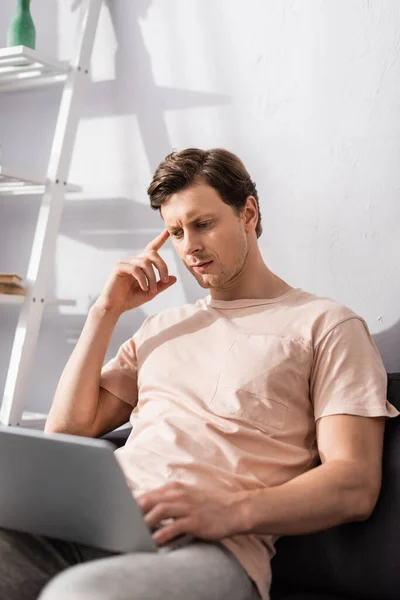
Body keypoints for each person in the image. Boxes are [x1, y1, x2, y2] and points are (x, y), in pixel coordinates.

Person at [1, 148, 398, 600]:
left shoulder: (326, 325)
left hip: (206, 547)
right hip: (90, 525)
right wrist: (104, 311)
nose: (189, 246)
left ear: (248, 212)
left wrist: (231, 511)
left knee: (82, 595)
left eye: (203, 224)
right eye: (175, 231)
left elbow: (354, 484)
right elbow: (67, 431)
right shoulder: (161, 328)